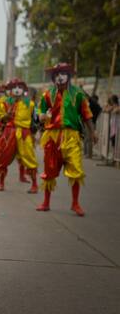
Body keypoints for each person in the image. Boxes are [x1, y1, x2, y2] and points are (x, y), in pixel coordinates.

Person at [37, 63, 97, 216]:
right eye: (56, 74)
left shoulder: (77, 94)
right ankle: (46, 202)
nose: (59, 77)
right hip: (52, 136)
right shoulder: (47, 95)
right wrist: (43, 116)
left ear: (68, 76)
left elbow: (87, 114)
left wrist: (93, 132)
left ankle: (75, 203)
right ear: (53, 78)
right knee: (49, 170)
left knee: (76, 169)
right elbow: (40, 114)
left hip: (72, 136)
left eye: (63, 73)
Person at [0, 79, 38, 192]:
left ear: (23, 90)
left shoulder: (30, 103)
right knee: (4, 157)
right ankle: (1, 182)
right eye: (14, 87)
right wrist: (5, 117)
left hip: (24, 133)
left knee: (29, 157)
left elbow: (35, 120)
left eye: (20, 87)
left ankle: (34, 184)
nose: (17, 90)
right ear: (10, 90)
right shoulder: (4, 102)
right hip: (9, 132)